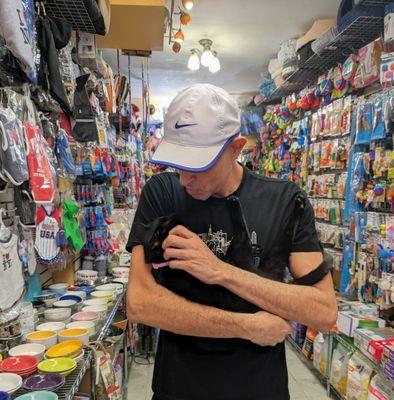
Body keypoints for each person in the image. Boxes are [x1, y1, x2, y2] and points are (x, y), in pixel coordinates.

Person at [126, 84, 338, 400]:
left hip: (260, 390)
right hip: (178, 389)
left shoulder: (285, 201)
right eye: (179, 164)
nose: (185, 180)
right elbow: (140, 303)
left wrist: (220, 271)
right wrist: (245, 326)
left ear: (236, 148)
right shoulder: (162, 193)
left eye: (199, 166)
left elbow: (323, 312)